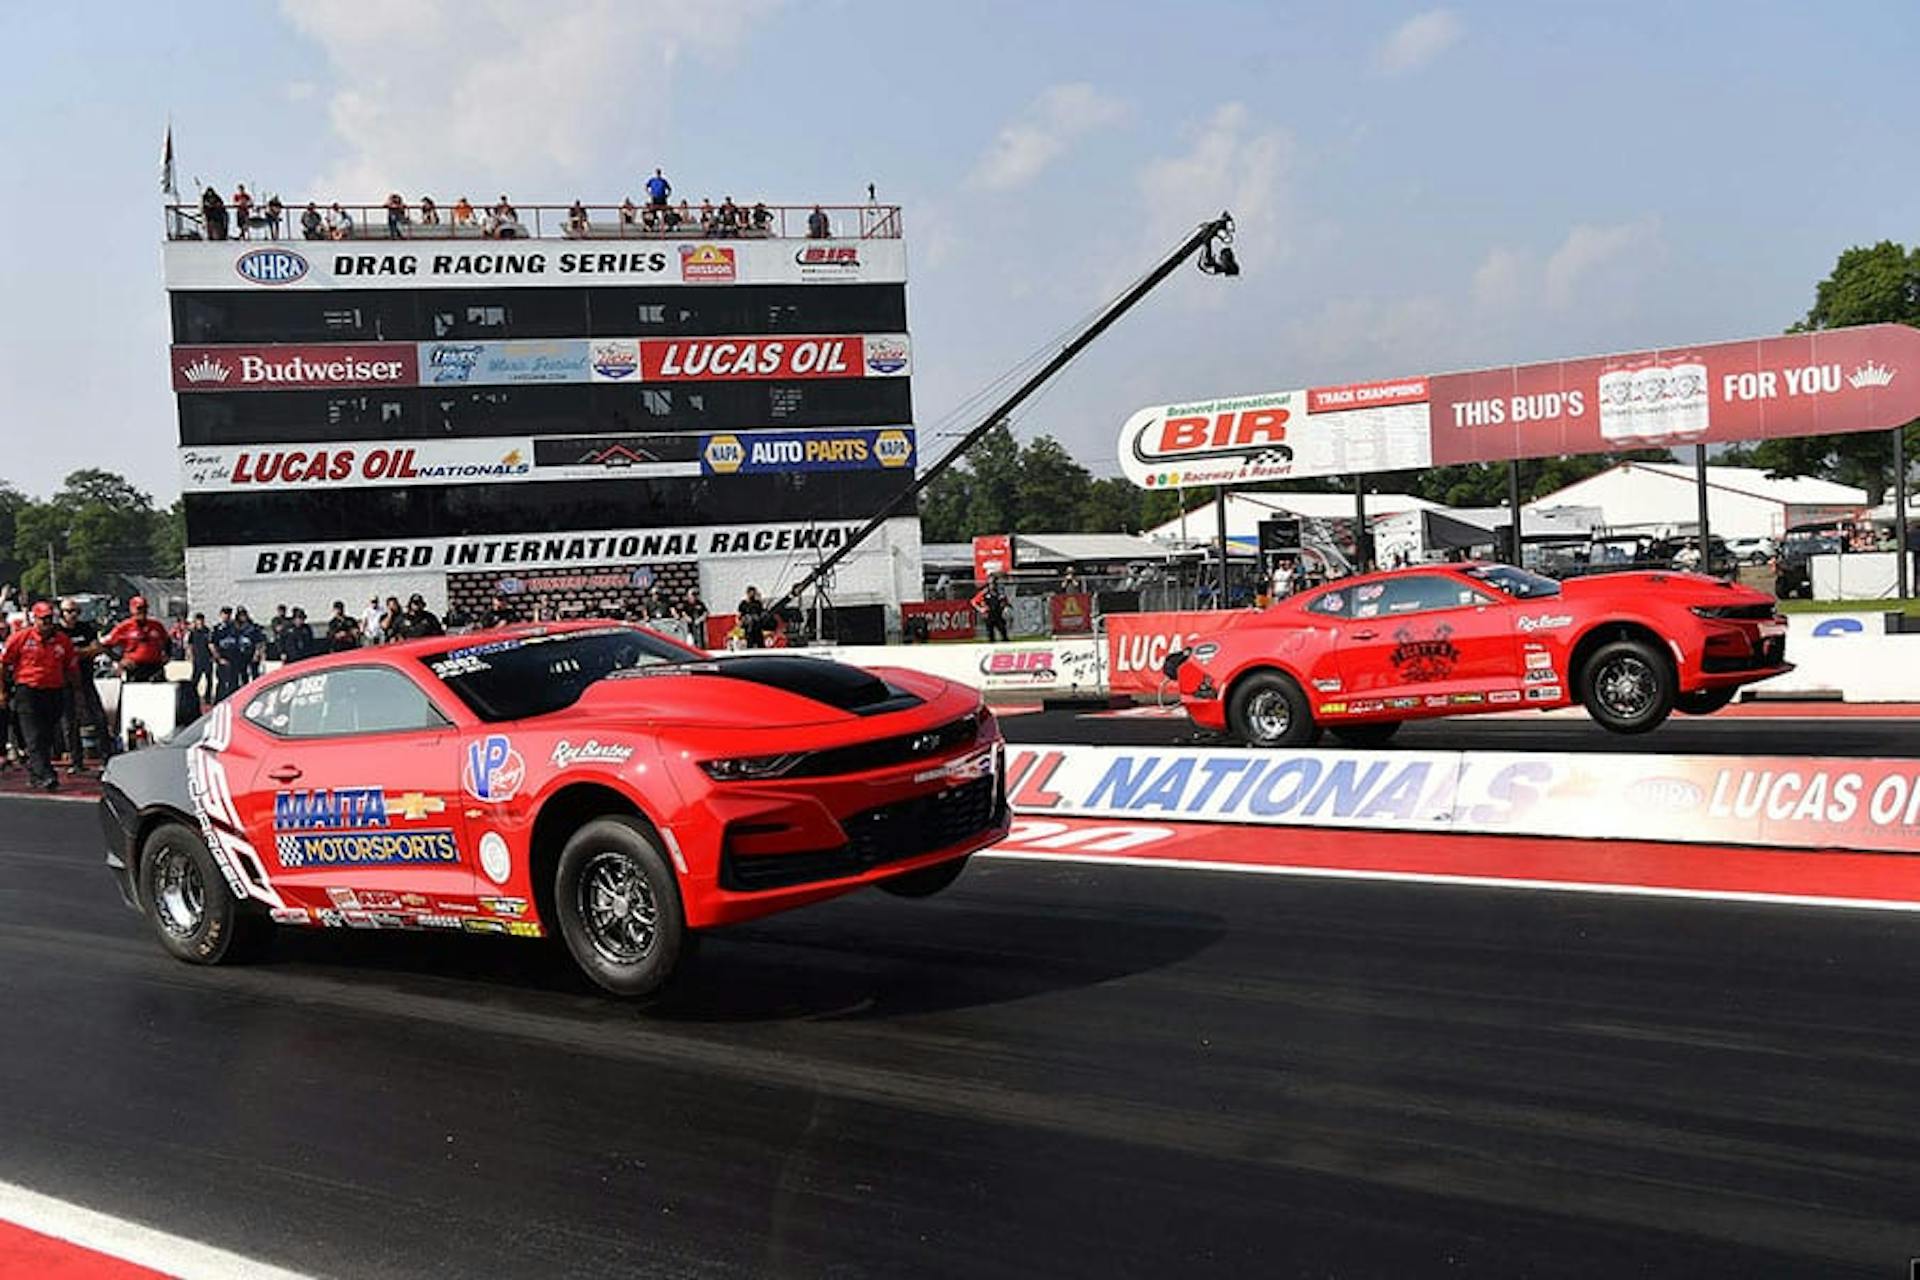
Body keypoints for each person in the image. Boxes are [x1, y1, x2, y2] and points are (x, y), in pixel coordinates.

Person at [0, 603, 80, 791]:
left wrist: (77, 692)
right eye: (43, 619)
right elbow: (3, 664)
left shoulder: (62, 640)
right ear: (34, 619)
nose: (47, 623)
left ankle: (36, 772)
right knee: (33, 734)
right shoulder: (21, 638)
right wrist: (2, 691)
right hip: (28, 691)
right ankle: (46, 775)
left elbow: (71, 667)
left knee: (47, 735)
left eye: (49, 619)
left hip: (54, 691)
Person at [57, 599, 110, 773]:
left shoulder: (85, 628)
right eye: (69, 611)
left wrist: (75, 652)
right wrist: (82, 652)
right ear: (62, 612)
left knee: (99, 718)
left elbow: (97, 648)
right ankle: (76, 760)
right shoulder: (57, 631)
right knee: (70, 722)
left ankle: (106, 756)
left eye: (76, 612)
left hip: (86, 679)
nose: (73, 615)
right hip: (65, 682)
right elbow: (60, 655)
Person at [105, 596, 172, 683]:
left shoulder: (156, 625)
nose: (143, 612)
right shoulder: (124, 627)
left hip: (155, 668)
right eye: (139, 608)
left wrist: (167, 655)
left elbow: (167, 641)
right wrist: (119, 660)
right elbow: (105, 645)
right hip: (134, 668)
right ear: (132, 610)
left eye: (145, 608)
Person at [213, 606, 258, 701]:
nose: (226, 616)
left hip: (239, 659)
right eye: (224, 614)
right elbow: (212, 644)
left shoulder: (238, 628)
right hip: (225, 659)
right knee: (223, 682)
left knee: (239, 681)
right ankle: (219, 701)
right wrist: (219, 658)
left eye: (228, 614)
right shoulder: (218, 628)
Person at [185, 612, 214, 702]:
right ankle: (192, 697)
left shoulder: (207, 631)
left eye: (201, 619)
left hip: (207, 658)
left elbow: (211, 644)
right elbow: (189, 645)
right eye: (198, 620)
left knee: (209, 680)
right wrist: (190, 655)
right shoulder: (192, 632)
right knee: (195, 680)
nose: (200, 622)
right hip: (197, 659)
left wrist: (213, 656)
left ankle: (208, 697)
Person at [972, 574, 1011, 643]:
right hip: (989, 616)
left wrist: (1005, 607)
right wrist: (980, 609)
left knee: (1003, 633)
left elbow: (1005, 602)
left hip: (998, 615)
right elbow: (973, 601)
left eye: (994, 583)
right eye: (991, 583)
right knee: (990, 636)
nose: (993, 585)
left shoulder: (1000, 593)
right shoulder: (985, 593)